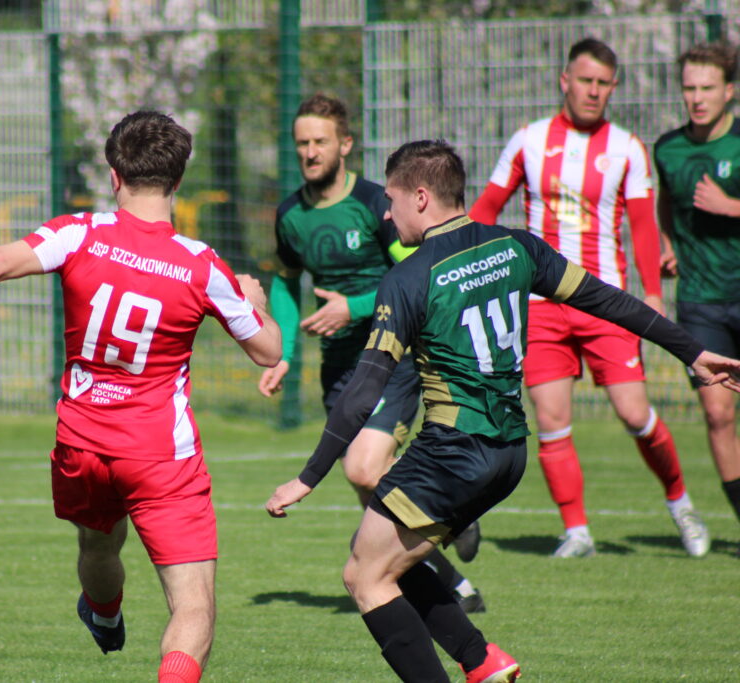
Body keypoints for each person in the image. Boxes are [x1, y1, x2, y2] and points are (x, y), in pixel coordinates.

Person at [0, 111, 282, 683]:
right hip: (160, 455)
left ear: (114, 175)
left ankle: (104, 614)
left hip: (82, 444)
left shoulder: (78, 233)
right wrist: (254, 301)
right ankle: (118, 624)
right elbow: (267, 351)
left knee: (98, 545)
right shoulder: (201, 264)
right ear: (178, 180)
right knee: (193, 607)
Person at [266, 139, 740, 682]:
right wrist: (691, 351)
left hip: (450, 452)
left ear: (420, 197)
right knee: (380, 554)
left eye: (392, 201)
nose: (388, 215)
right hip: (510, 453)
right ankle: (481, 660)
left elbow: (361, 391)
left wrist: (307, 477)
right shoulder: (516, 247)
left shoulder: (408, 277)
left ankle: (470, 663)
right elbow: (607, 299)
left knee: (364, 578)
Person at [469, 37, 711, 558]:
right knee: (550, 418)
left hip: (605, 302)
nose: (594, 91)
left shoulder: (627, 148)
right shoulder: (528, 141)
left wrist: (652, 294)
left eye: (603, 83)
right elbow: (486, 209)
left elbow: (643, 227)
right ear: (566, 80)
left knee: (634, 413)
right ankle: (576, 532)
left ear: (613, 87)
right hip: (539, 306)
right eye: (585, 80)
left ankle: (681, 503)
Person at [258, 93, 486, 613]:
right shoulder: (290, 214)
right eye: (302, 143)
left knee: (363, 470)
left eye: (320, 141)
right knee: (373, 494)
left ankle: (454, 507)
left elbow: (413, 271)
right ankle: (452, 583)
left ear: (345, 144)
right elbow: (287, 283)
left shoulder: (373, 203)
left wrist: (353, 307)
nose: (310, 152)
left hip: (392, 354)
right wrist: (283, 353)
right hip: (338, 366)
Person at [654, 41, 740, 555]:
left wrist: (730, 207)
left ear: (729, 91)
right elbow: (665, 203)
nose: (697, 98)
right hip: (701, 301)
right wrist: (668, 245)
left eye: (707, 88)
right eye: (689, 88)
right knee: (718, 414)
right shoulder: (667, 149)